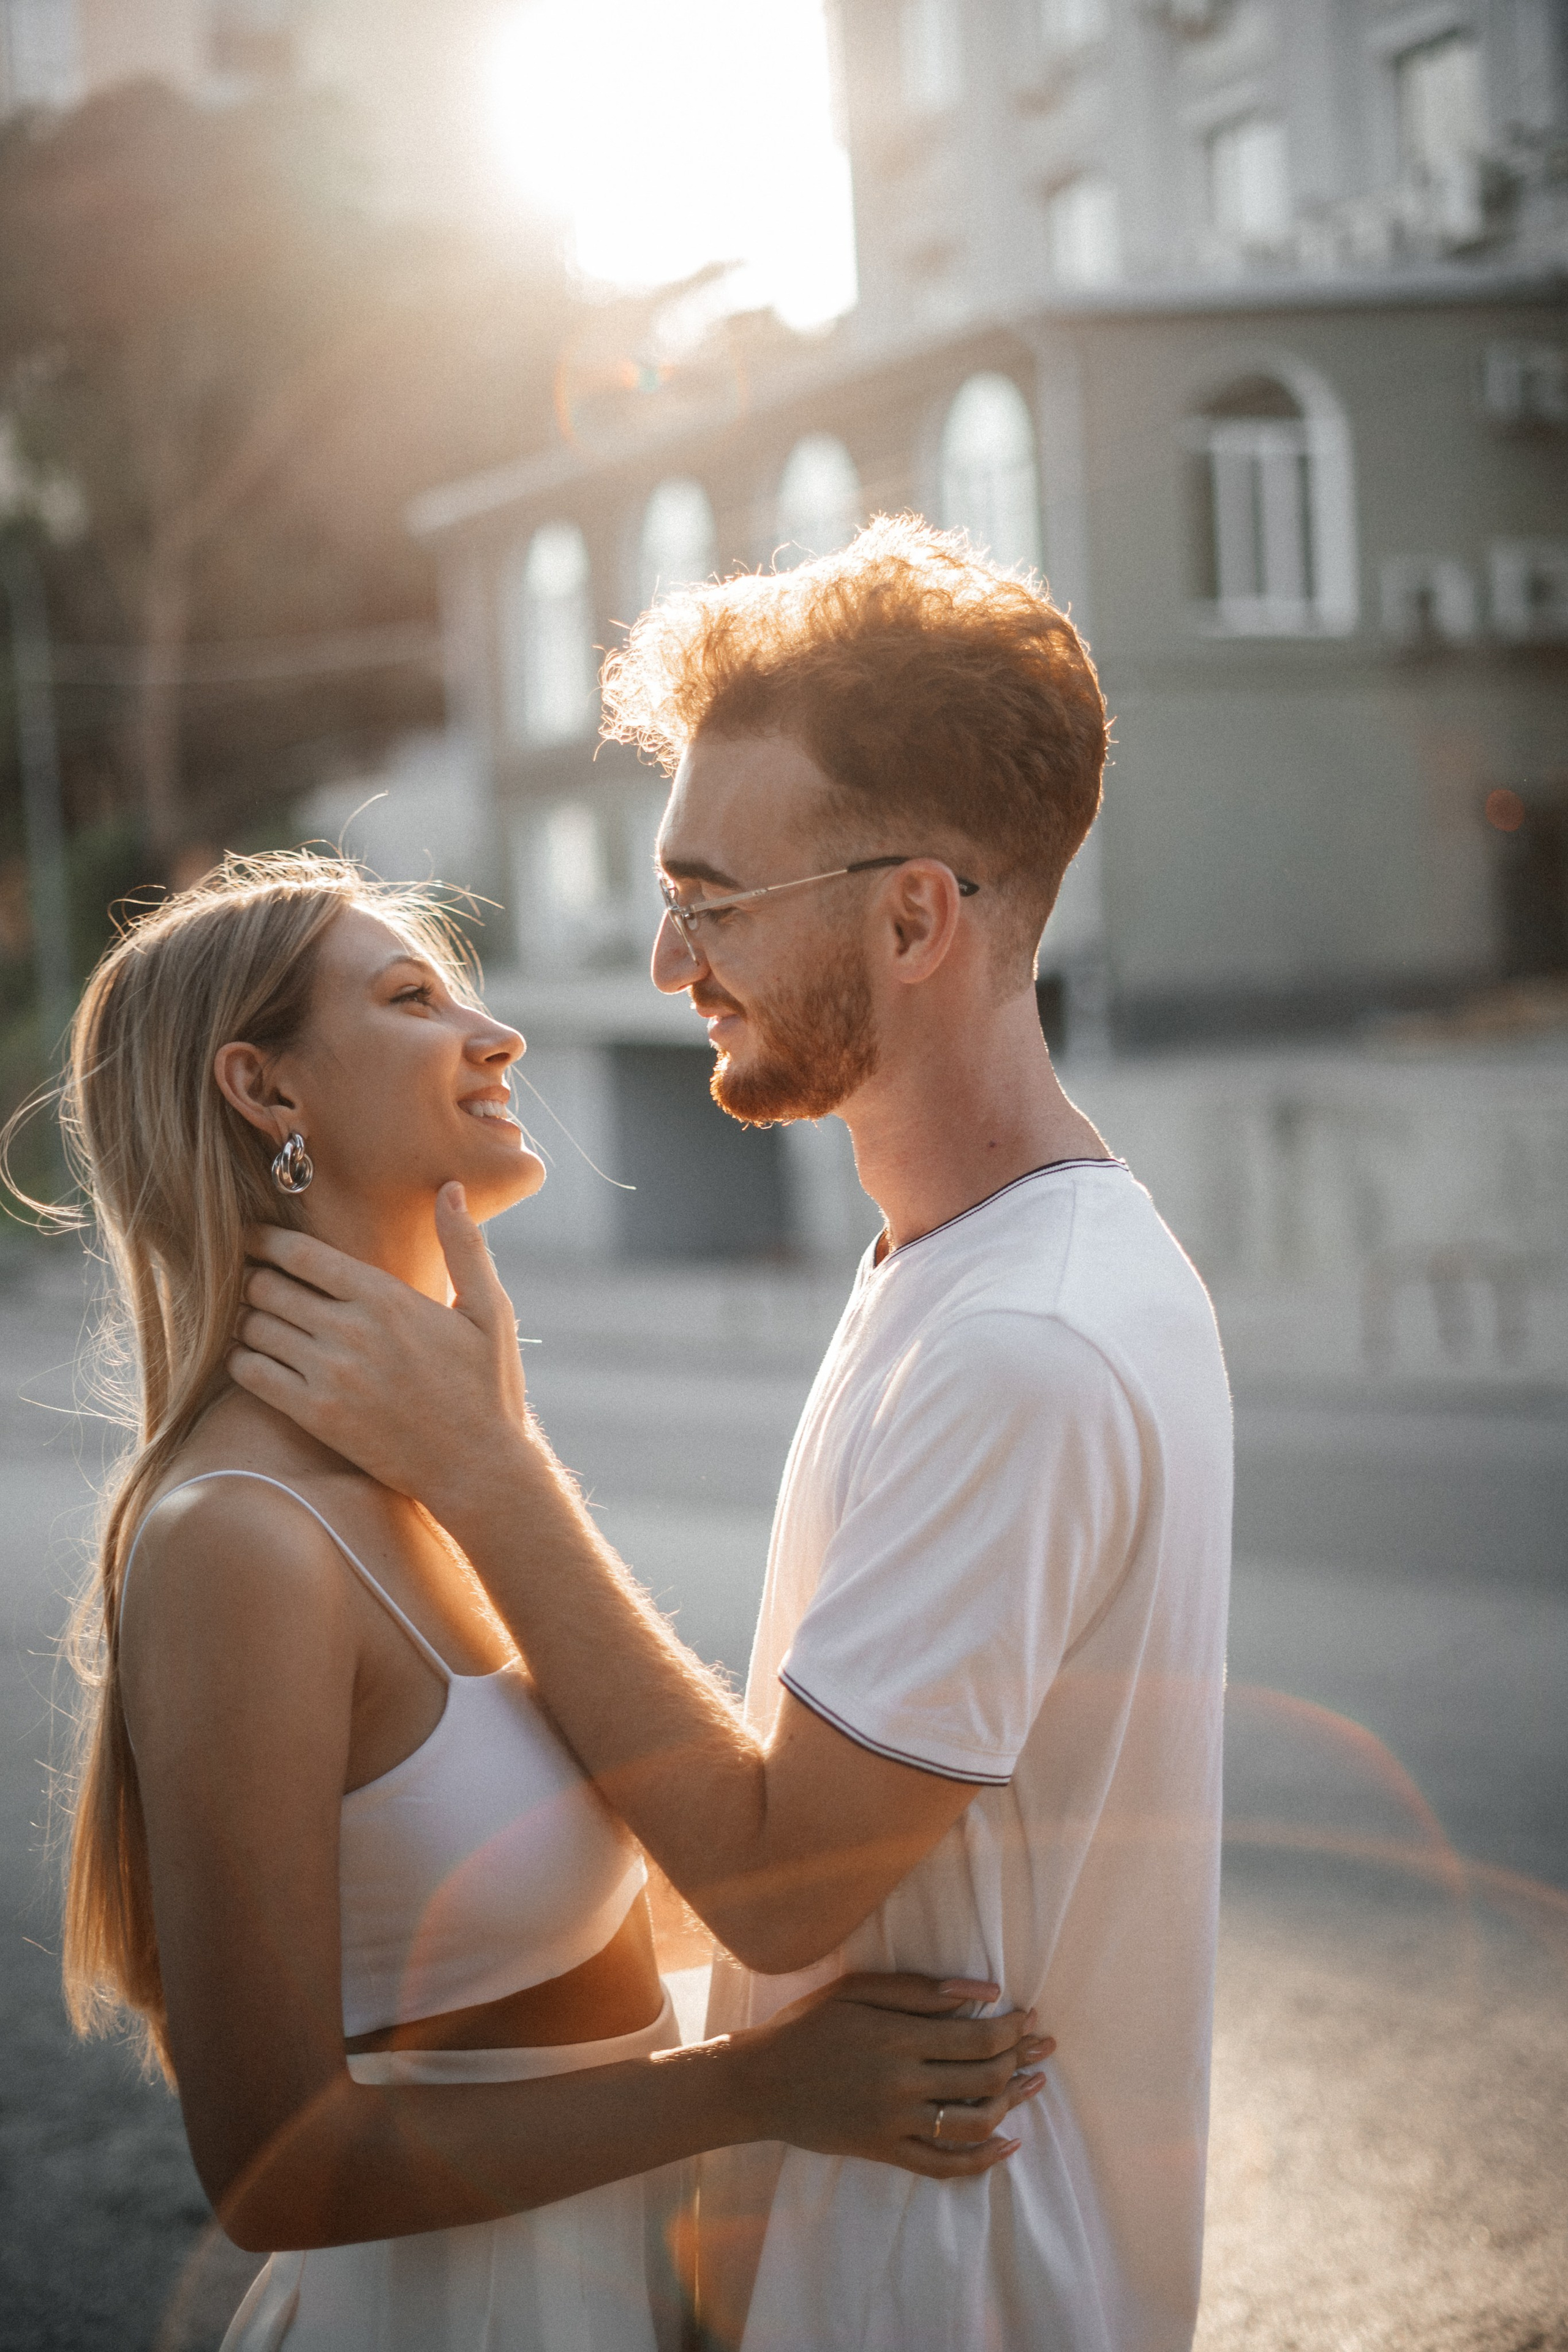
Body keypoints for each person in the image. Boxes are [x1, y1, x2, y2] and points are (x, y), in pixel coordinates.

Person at [231, 517, 1235, 2350]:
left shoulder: (1026, 1340)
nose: (671, 957)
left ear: (913, 916)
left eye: (711, 896)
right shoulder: (964, 1269)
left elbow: (782, 1888)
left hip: (950, 2293)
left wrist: (487, 1472)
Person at [37, 851, 1049, 2352]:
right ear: (266, 1092)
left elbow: (604, 1918)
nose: (494, 1035)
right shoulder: (238, 1537)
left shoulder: (435, 1468)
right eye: (410, 998)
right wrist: (759, 2090)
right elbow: (269, 2164)